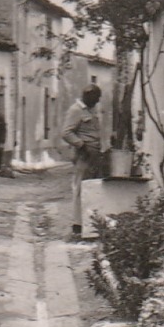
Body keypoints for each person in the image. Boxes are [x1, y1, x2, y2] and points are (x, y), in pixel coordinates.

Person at [60, 85, 104, 237]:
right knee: (80, 187)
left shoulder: (90, 110)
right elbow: (66, 132)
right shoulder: (76, 110)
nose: (98, 101)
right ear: (89, 95)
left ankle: (90, 223)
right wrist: (82, 145)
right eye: (96, 98)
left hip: (94, 154)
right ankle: (77, 224)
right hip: (84, 154)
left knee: (92, 187)